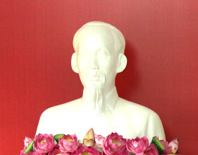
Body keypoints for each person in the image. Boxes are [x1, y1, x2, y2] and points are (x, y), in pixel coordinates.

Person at [36, 21, 165, 141]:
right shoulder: (51, 120)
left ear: (120, 63)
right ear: (75, 62)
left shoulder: (146, 121)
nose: (93, 64)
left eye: (102, 54)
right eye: (85, 54)